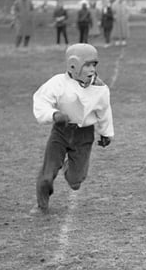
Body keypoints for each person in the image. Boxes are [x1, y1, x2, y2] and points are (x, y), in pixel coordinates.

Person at [30, 43, 113, 216]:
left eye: (94, 65)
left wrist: (106, 133)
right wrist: (54, 115)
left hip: (84, 135)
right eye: (87, 65)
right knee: (47, 174)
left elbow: (104, 111)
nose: (91, 69)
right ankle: (41, 205)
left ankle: (69, 167)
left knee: (76, 181)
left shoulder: (100, 88)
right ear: (73, 65)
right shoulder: (58, 83)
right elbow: (41, 101)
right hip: (61, 132)